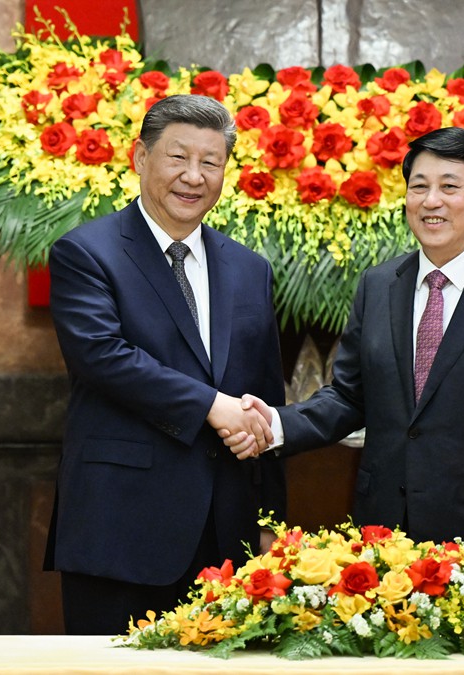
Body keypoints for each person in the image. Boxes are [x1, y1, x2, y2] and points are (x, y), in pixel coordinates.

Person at [225, 127, 464, 592]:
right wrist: (274, 424)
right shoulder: (378, 285)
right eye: (419, 187)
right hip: (384, 537)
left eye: (449, 186)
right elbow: (349, 397)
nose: (431, 201)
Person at [43, 94, 286, 635]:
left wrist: (272, 521)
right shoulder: (86, 252)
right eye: (178, 157)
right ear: (140, 157)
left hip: (227, 539)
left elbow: (266, 399)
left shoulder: (249, 269)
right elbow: (102, 356)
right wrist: (212, 405)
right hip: (120, 529)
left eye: (210, 162)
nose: (194, 177)